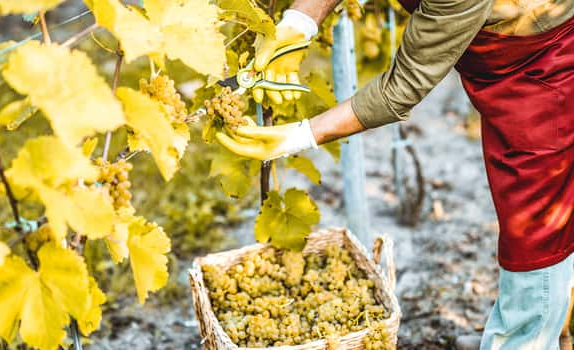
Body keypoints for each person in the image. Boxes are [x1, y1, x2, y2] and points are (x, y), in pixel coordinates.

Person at [216, 0, 574, 349]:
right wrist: (300, 22)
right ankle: (546, 326)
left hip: (545, 64)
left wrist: (300, 135)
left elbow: (400, 88)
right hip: (499, 51)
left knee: (535, 223)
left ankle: (524, 339)